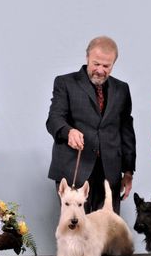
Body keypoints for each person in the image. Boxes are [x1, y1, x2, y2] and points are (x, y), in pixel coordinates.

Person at [46, 36, 136, 214]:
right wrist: (68, 131)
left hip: (110, 173)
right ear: (87, 57)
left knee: (107, 235)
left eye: (106, 66)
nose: (100, 70)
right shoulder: (65, 83)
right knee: (77, 234)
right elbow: (54, 119)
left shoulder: (122, 89)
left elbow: (126, 131)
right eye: (96, 64)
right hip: (74, 169)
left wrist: (128, 171)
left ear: (113, 64)